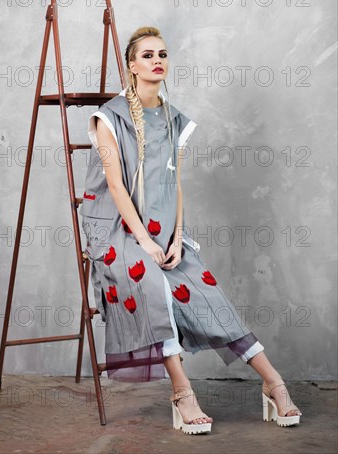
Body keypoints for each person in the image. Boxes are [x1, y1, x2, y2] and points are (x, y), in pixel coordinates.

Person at [80, 26, 302, 434]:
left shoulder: (174, 119)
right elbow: (115, 186)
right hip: (114, 229)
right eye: (147, 55)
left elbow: (174, 183)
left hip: (162, 228)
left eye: (162, 54)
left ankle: (273, 383)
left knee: (204, 289)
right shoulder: (109, 117)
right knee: (153, 285)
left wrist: (176, 239)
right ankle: (182, 394)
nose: (156, 60)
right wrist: (144, 242)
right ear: (131, 65)